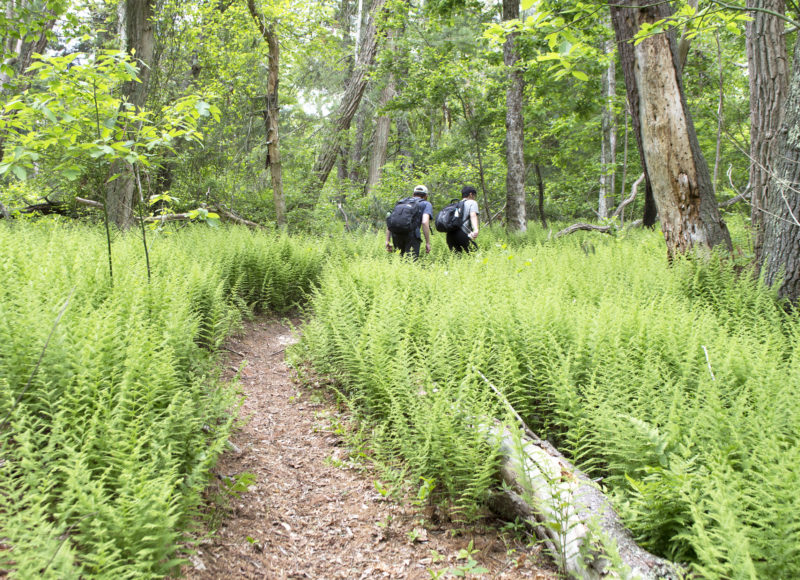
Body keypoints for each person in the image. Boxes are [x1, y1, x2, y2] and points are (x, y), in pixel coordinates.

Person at [385, 184, 433, 259]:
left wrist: (387, 240)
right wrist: (427, 243)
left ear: (413, 194)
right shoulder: (426, 204)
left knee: (399, 260)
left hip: (396, 234)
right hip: (412, 236)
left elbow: (391, 220)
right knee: (411, 262)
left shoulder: (402, 202)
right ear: (426, 196)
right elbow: (424, 222)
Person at [446, 185, 479, 253]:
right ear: (470, 194)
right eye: (474, 195)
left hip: (450, 234)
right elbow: (473, 215)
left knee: (456, 258)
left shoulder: (457, 204)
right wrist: (476, 229)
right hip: (462, 234)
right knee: (475, 254)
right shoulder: (472, 202)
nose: (474, 197)